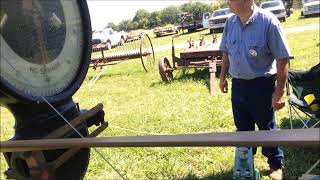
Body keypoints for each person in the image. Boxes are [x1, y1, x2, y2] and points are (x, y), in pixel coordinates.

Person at [219, 0, 290, 180]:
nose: (228, 1)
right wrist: (222, 77)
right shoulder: (230, 23)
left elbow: (282, 58)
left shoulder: (268, 22)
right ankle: (246, 164)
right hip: (238, 85)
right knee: (242, 128)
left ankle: (275, 164)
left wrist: (279, 92)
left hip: (262, 85)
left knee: (266, 126)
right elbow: (226, 52)